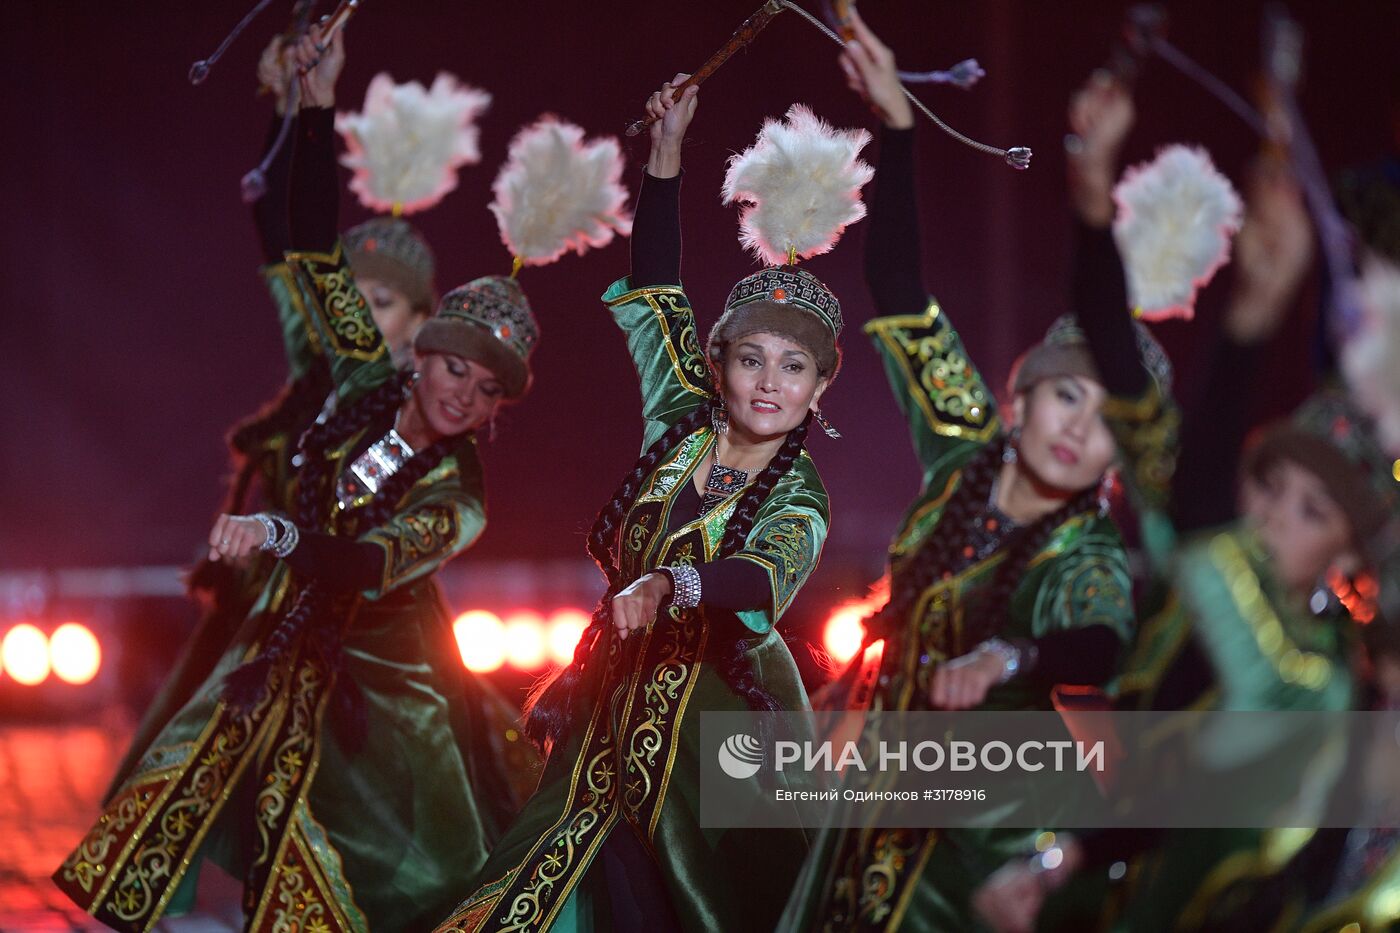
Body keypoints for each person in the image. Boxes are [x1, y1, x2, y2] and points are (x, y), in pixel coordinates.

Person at [55, 28, 537, 932]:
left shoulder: (459, 493)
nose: (464, 394)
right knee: (240, 795)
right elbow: (308, 251)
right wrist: (312, 107)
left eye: (487, 387)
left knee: (429, 883)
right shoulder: (356, 376)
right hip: (294, 646)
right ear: (419, 353)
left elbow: (360, 562)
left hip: (394, 693)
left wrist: (277, 535)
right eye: (453, 369)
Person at [971, 68, 1399, 933]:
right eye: (1269, 487)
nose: (1272, 517)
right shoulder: (1211, 531)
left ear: (1353, 555)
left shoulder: (1310, 684)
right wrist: (1093, 197)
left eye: (1313, 512)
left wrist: (1252, 317)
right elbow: (1118, 360)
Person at [433, 76, 840, 933]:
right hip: (609, 724)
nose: (768, 382)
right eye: (751, 359)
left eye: (793, 367)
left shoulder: (801, 492)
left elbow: (762, 579)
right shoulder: (681, 423)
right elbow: (659, 297)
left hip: (722, 750)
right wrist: (665, 157)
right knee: (524, 902)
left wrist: (674, 585)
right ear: (719, 362)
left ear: (818, 385)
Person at [778, 12, 1150, 932]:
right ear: (1020, 402)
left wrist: (1009, 654)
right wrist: (898, 130)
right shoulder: (964, 447)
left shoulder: (1084, 550)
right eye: (1068, 398)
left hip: (979, 852)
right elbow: (900, 288)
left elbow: (1099, 643)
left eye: (1106, 421)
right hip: (867, 813)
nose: (1078, 429)